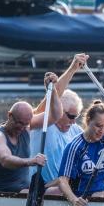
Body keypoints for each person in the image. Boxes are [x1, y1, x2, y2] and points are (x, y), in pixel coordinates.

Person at [0, 72, 62, 193]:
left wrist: (52, 91)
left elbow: (56, 115)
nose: (22, 128)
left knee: (62, 188)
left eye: (26, 124)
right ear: (9, 115)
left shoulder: (26, 126)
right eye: (19, 123)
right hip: (3, 194)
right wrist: (32, 161)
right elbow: (5, 160)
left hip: (25, 191)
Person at [57, 101, 104, 206]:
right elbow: (62, 180)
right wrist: (74, 200)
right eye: (98, 126)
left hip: (102, 192)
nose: (102, 131)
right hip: (83, 196)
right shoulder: (75, 146)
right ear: (88, 121)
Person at [30, 53, 89, 185]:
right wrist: (73, 68)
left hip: (67, 188)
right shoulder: (42, 123)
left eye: (77, 116)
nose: (74, 121)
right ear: (58, 109)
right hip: (43, 189)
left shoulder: (76, 131)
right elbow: (53, 94)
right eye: (71, 116)